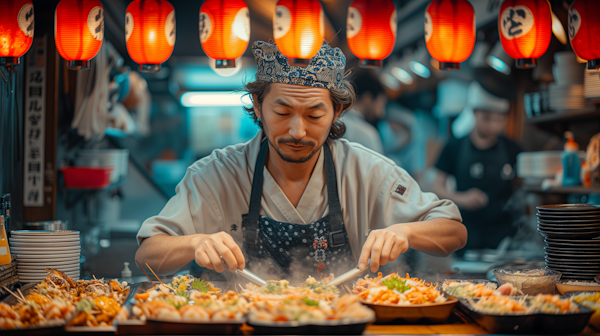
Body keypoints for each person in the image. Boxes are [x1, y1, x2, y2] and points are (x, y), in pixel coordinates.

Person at [135, 41, 466, 282]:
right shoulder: (216, 174)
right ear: (258, 105)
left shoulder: (366, 171)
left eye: (314, 114)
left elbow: (453, 231)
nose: (297, 130)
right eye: (281, 112)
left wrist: (404, 231)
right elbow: (147, 255)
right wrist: (195, 242)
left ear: (336, 112)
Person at [433, 81, 520, 254]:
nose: (494, 125)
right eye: (487, 118)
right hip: (466, 236)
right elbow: (436, 187)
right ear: (474, 112)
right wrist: (461, 198)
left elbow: (522, 188)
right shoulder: (454, 146)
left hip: (503, 238)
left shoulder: (512, 149)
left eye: (500, 119)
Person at [342, 70, 385, 153]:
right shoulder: (369, 135)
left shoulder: (335, 122)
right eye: (380, 104)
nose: (381, 113)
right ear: (367, 98)